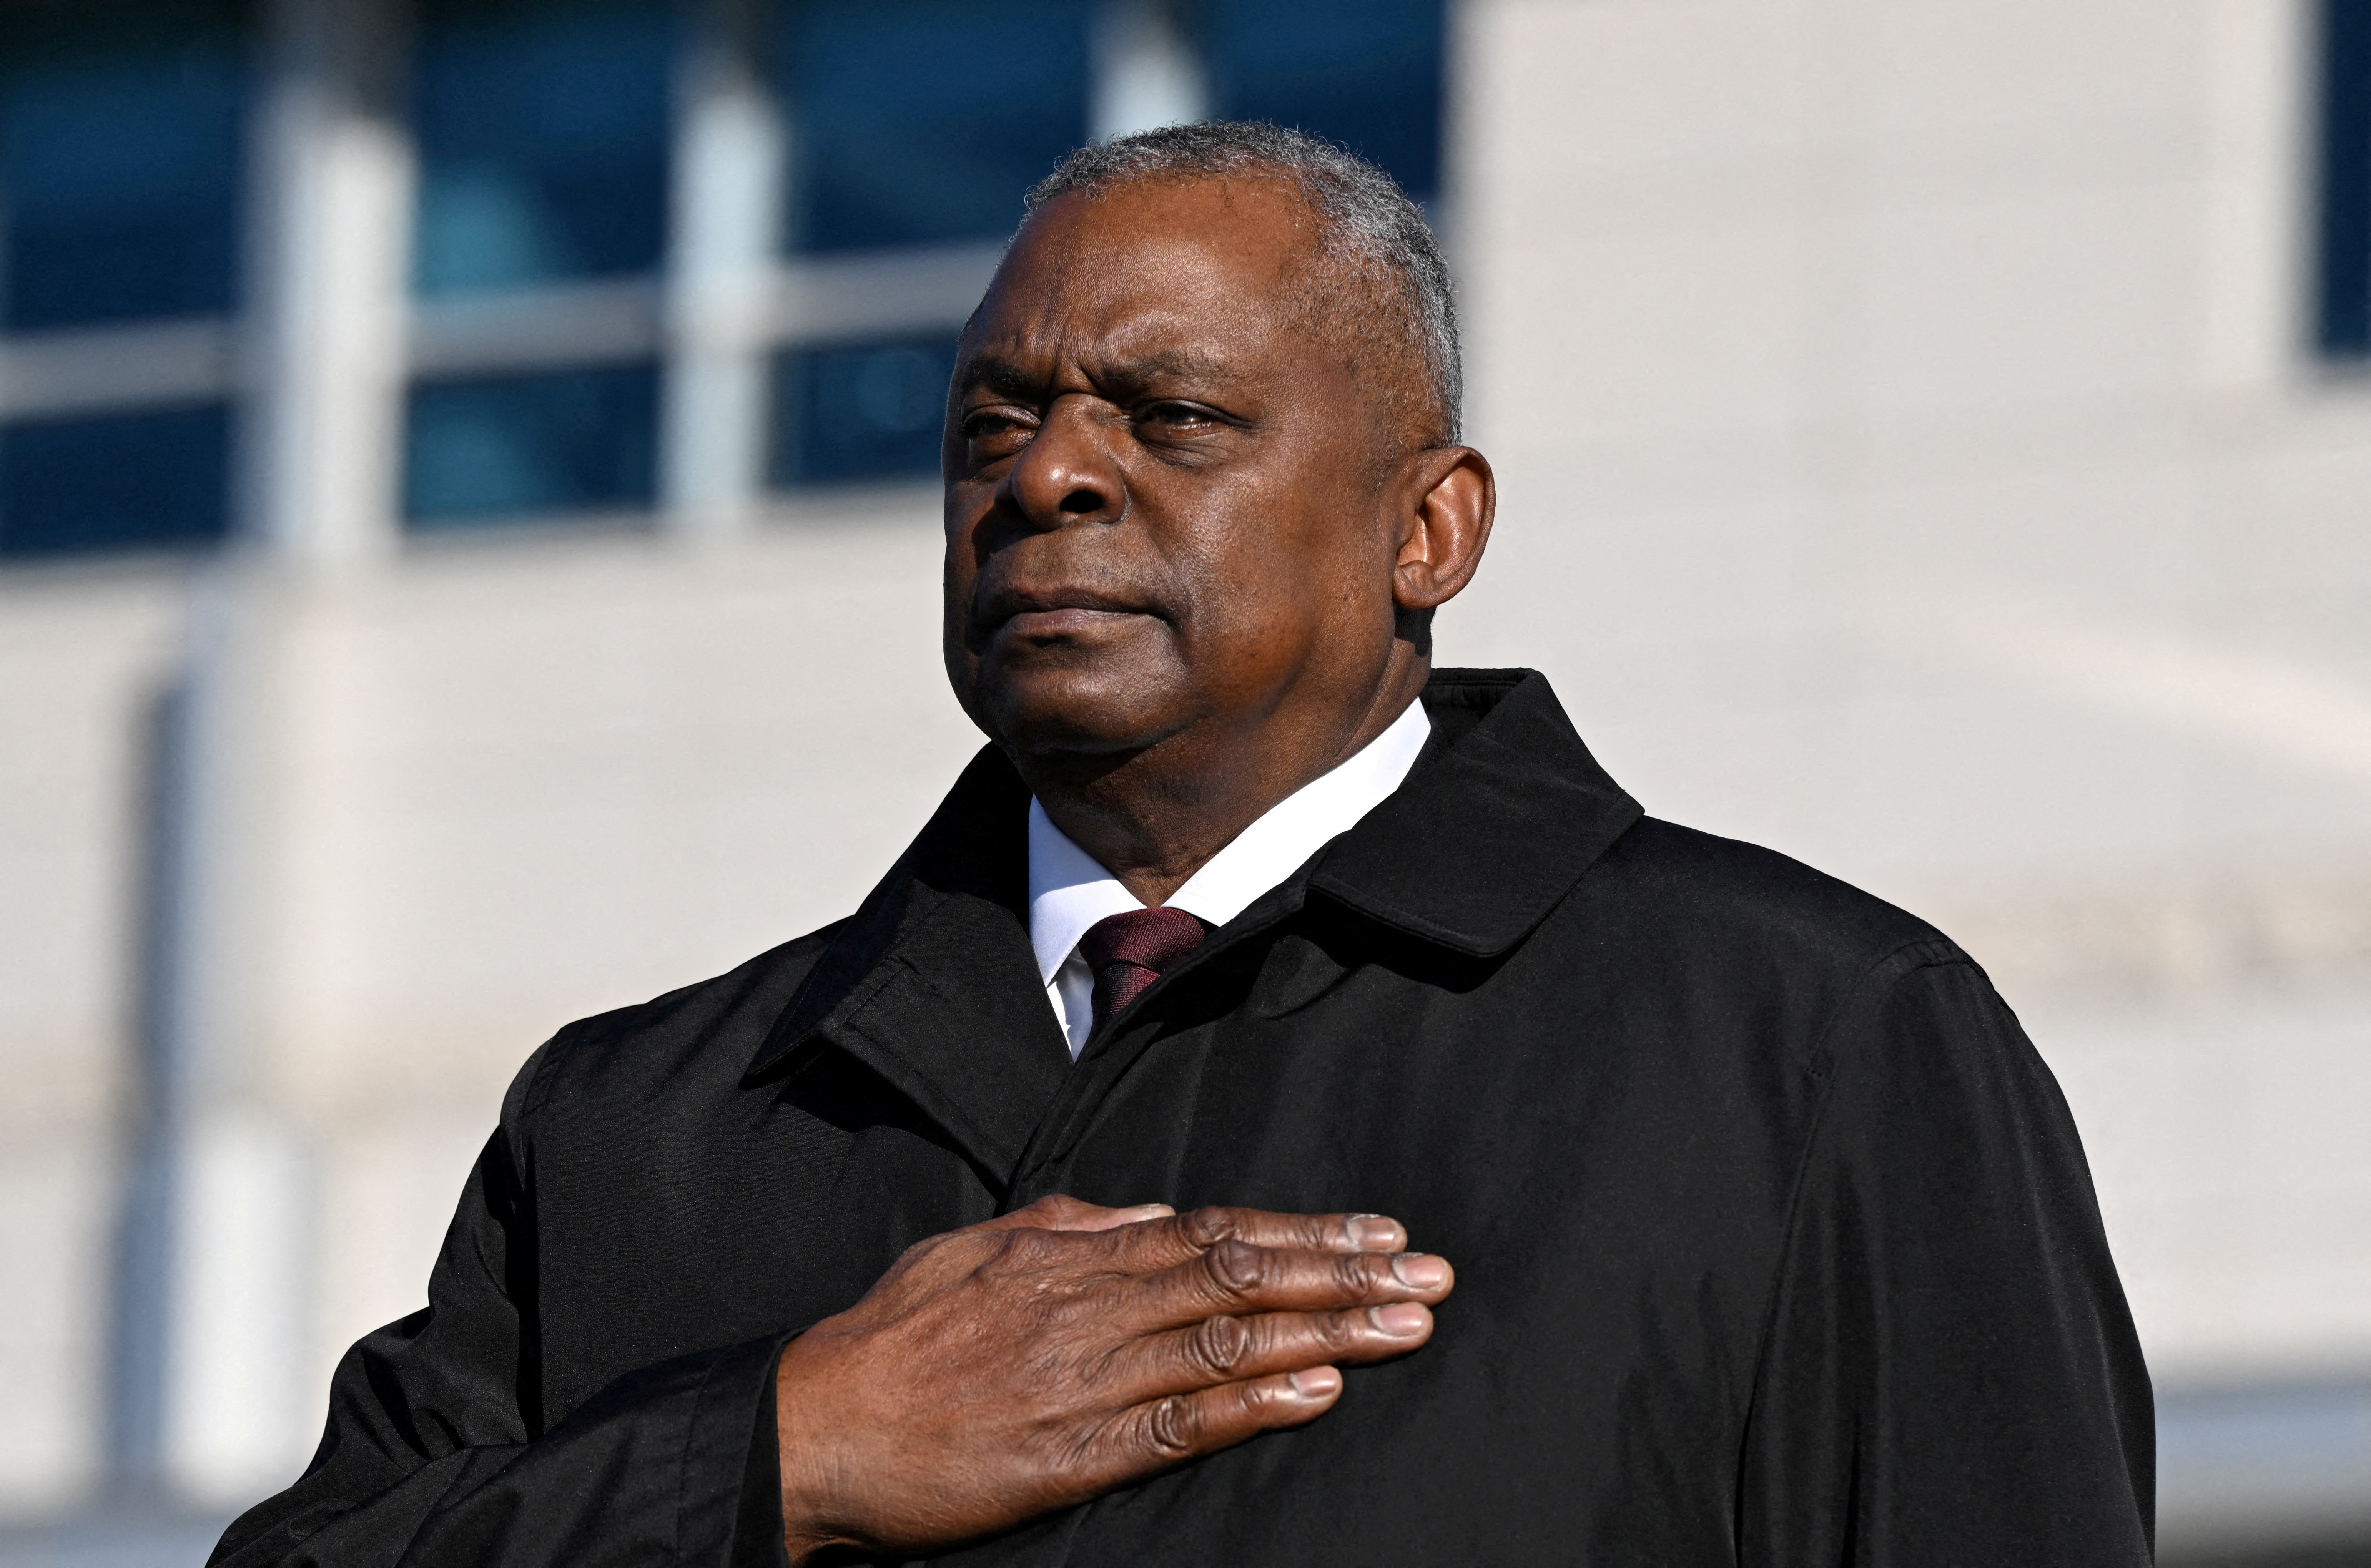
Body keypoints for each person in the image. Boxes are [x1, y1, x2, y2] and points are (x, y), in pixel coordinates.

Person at [211, 123, 2154, 1568]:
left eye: (1174, 414)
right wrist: (784, 1455)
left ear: (1433, 532)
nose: (1049, 473)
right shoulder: (646, 1123)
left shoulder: (1805, 1048)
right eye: (995, 424)